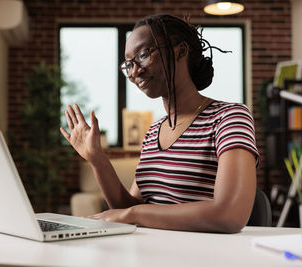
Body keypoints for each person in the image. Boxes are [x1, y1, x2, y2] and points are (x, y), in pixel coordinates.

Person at [60, 14, 260, 233]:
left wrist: (133, 214)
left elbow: (230, 215)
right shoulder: (154, 131)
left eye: (143, 55)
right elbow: (127, 209)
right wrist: (97, 159)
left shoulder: (229, 117)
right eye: (128, 64)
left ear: (180, 51)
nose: (134, 71)